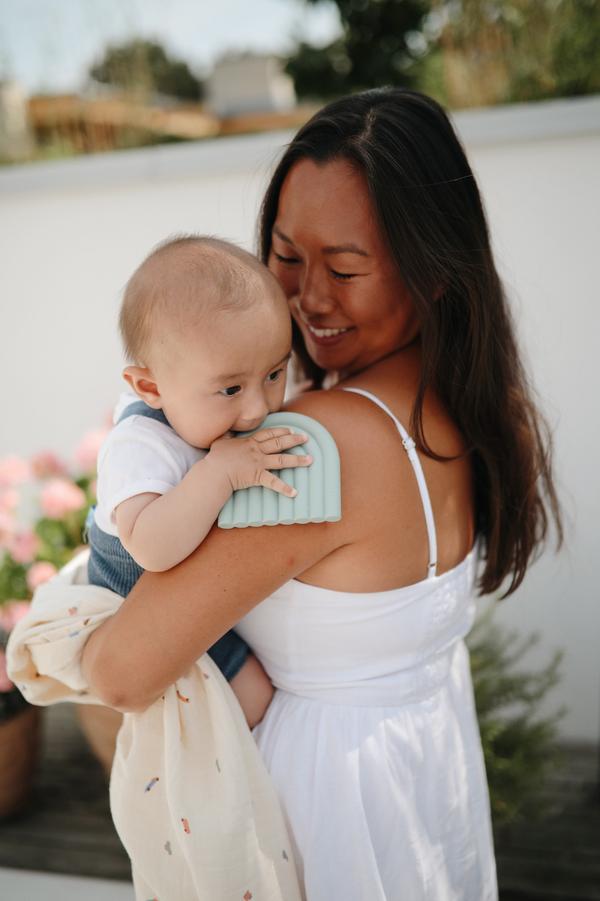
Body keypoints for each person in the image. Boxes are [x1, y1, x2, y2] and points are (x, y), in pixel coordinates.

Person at [79, 88, 559, 899]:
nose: (305, 299)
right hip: (413, 786)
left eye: (344, 268)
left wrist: (72, 623)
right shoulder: (461, 405)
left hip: (322, 812)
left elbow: (124, 671)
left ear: (434, 271)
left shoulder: (314, 445)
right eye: (285, 255)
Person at [87, 235, 313, 728]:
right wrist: (219, 472)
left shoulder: (218, 403)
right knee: (256, 700)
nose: (258, 408)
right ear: (151, 388)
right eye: (231, 389)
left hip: (196, 600)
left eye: (275, 372)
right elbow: (151, 547)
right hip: (139, 611)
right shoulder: (140, 447)